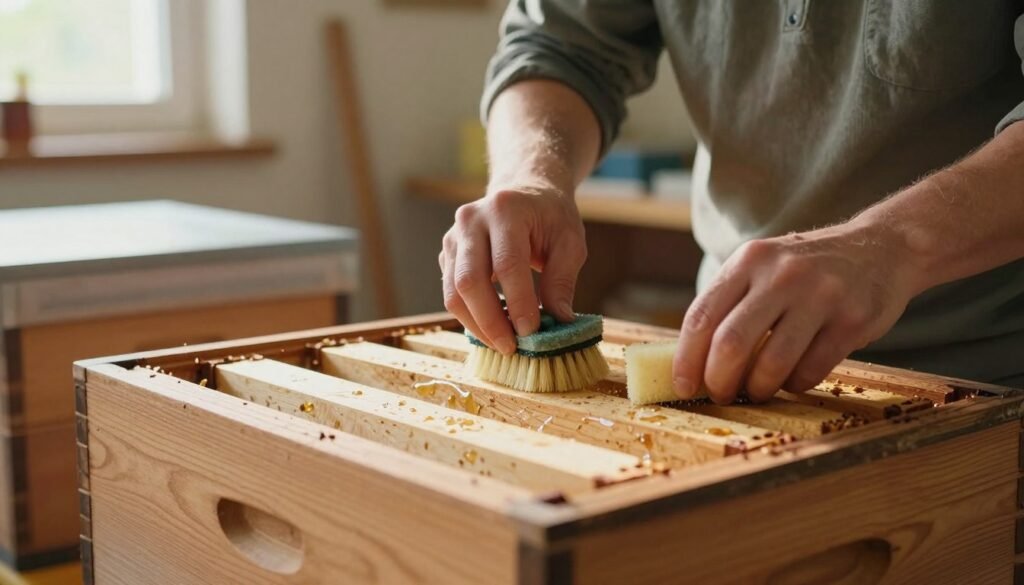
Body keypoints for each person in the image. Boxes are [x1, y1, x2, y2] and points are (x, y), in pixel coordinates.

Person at [438, 1, 1024, 404]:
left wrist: (891, 247)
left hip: (991, 379)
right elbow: (559, 46)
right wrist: (531, 175)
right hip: (729, 363)